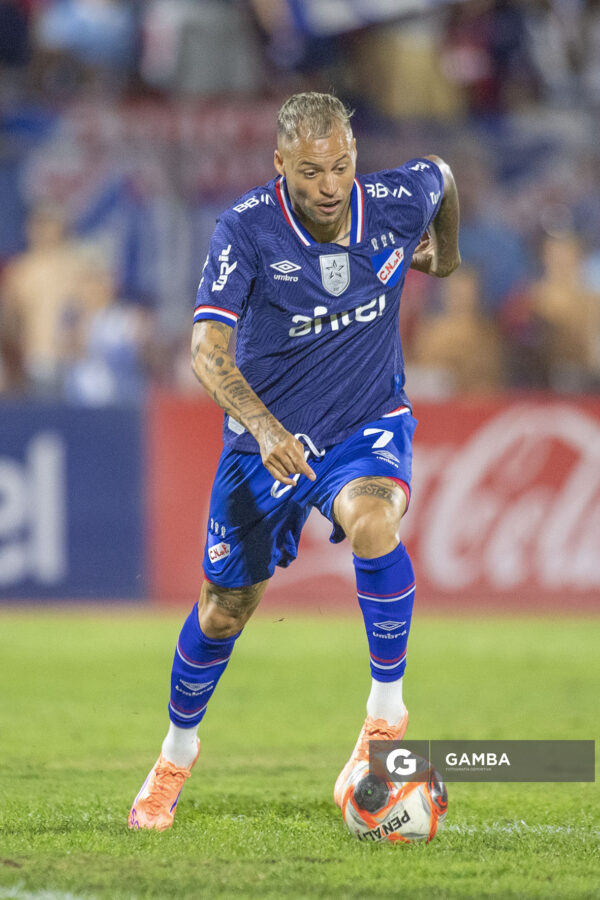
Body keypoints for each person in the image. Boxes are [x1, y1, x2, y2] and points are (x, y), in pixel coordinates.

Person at [128, 92, 461, 831]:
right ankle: (174, 756)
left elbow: (440, 174)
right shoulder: (245, 230)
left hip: (364, 423)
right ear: (280, 164)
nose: (331, 186)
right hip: (263, 444)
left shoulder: (393, 202)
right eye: (311, 172)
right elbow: (207, 350)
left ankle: (386, 715)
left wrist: (447, 254)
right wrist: (261, 423)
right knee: (224, 610)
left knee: (374, 519)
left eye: (342, 166)